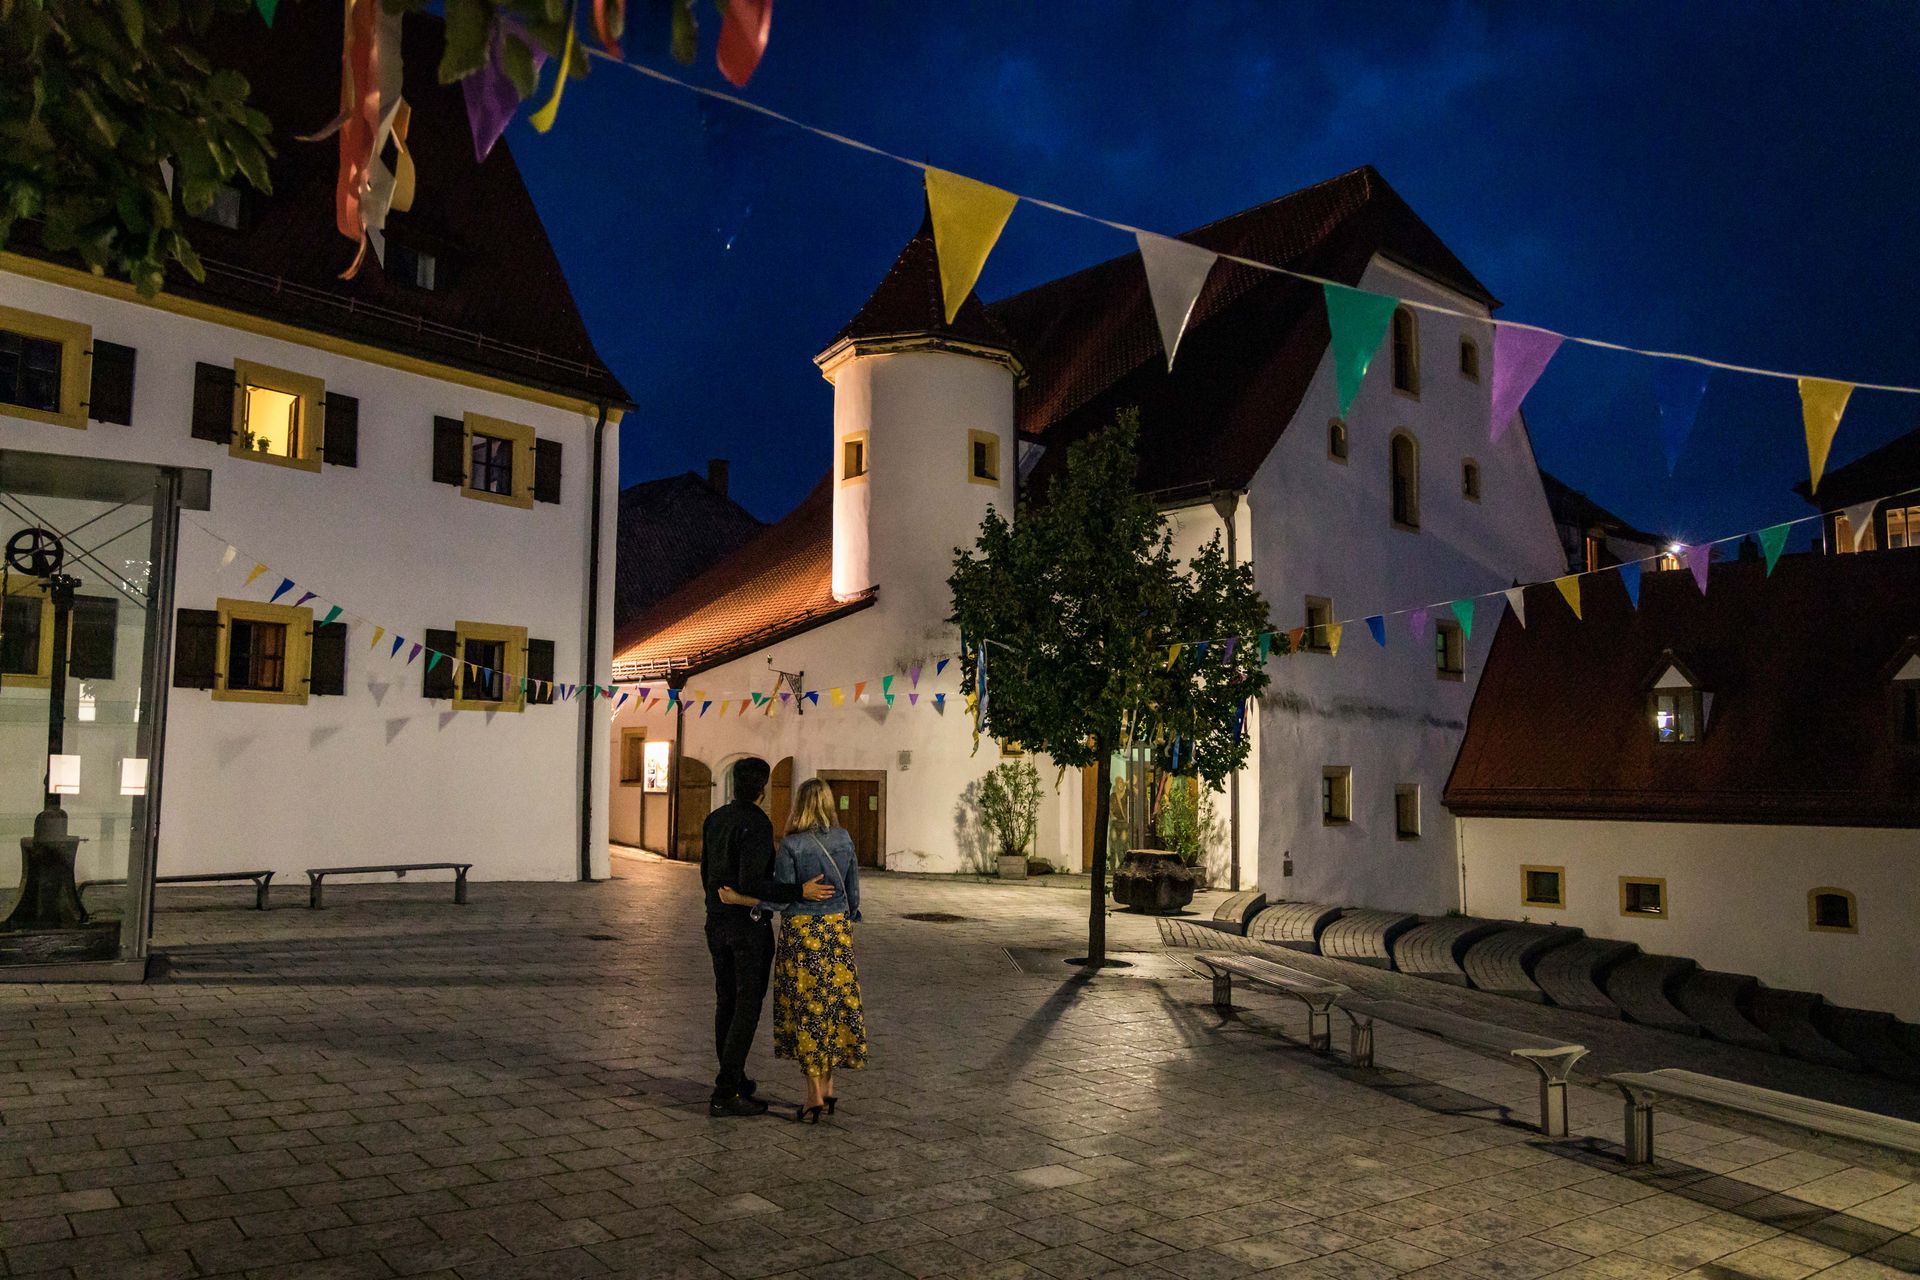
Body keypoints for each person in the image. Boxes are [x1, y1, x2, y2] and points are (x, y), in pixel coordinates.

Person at [720, 777, 867, 1123]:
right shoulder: (844, 838)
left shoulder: (792, 845)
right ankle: (828, 1088)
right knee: (832, 1007)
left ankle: (813, 1095)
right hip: (837, 933)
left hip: (803, 936)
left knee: (808, 1011)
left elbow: (783, 896)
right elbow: (853, 892)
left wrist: (742, 899)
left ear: (799, 805)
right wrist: (845, 914)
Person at [702, 757, 832, 1117]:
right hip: (747, 926)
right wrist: (797, 890)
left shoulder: (714, 819)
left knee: (725, 1002)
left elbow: (705, 873)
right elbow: (752, 882)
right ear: (762, 789)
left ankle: (736, 1078)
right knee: (746, 1007)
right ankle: (726, 1091)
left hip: (717, 922)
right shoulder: (757, 823)